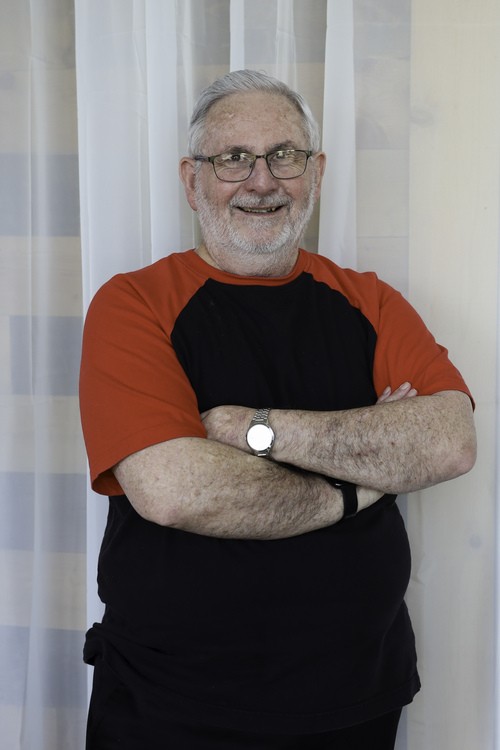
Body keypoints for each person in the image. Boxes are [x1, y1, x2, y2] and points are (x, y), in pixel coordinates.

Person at [79, 69, 476, 750]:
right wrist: (360, 484)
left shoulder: (370, 301)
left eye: (284, 155)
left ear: (315, 173)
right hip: (169, 702)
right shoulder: (134, 303)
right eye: (233, 157)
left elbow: (449, 441)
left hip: (356, 698)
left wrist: (249, 429)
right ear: (193, 180)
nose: (262, 181)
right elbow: (174, 490)